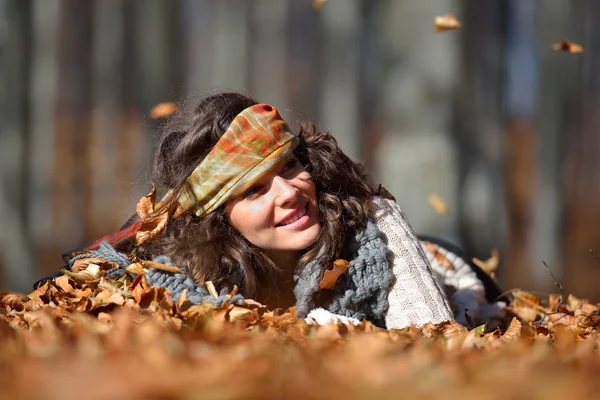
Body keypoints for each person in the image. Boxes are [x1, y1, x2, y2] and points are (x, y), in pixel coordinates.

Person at [35, 92, 506, 330]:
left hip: (446, 266)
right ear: (219, 219)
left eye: (291, 165)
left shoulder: (371, 220)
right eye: (254, 190)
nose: (288, 193)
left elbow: (432, 336)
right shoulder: (175, 269)